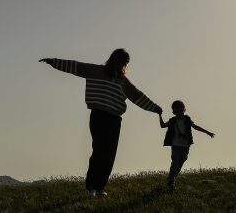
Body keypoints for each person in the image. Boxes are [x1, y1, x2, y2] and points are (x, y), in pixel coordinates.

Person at [39, 48, 162, 197]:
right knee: (99, 150)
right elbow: (76, 66)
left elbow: (137, 96)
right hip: (98, 116)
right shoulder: (95, 70)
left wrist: (155, 108)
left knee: (110, 154)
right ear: (114, 59)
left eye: (126, 63)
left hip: (115, 119)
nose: (124, 64)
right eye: (122, 61)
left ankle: (100, 187)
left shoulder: (123, 81)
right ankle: (91, 186)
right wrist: (54, 62)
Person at [159, 100, 215, 190]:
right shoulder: (172, 121)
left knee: (181, 162)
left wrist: (207, 132)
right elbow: (162, 125)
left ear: (184, 110)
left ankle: (171, 177)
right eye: (177, 111)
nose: (179, 113)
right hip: (175, 145)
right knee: (175, 162)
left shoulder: (187, 119)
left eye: (181, 111)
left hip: (185, 146)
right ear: (173, 112)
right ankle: (171, 182)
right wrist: (160, 115)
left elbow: (195, 127)